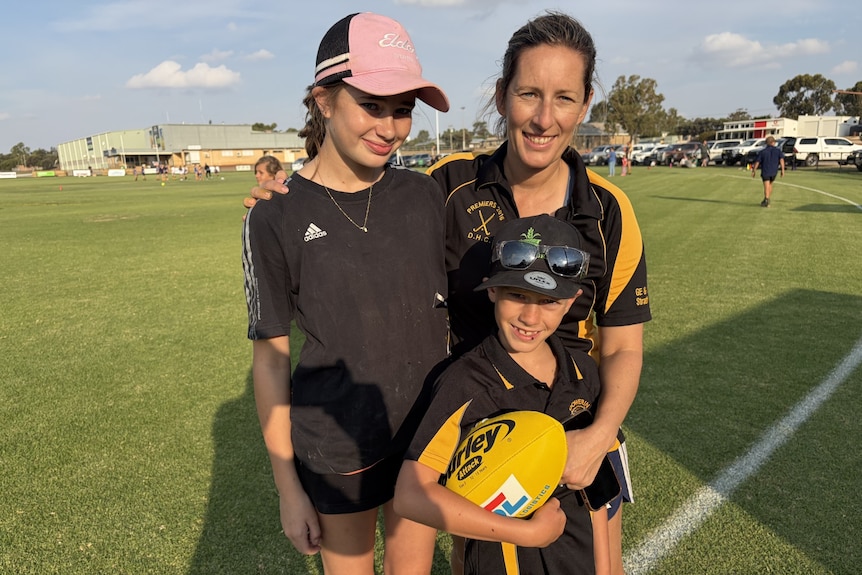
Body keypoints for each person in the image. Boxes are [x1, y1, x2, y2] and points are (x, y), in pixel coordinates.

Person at [246, 12, 650, 575]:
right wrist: (281, 199)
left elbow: (625, 346)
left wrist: (597, 436)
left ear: (584, 107)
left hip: (576, 434)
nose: (543, 117)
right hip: (468, 433)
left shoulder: (609, 210)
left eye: (564, 98)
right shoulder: (444, 187)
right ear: (503, 95)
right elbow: (359, 206)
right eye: (528, 93)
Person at [241, 12, 450, 575]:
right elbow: (270, 359)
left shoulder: (424, 195)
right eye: (372, 105)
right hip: (338, 445)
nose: (390, 126)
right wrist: (288, 488)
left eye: (402, 108)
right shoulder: (274, 213)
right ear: (323, 101)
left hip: (427, 436)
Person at [395, 214, 614, 575]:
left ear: (572, 300)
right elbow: (410, 495)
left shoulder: (582, 373)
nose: (530, 317)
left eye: (548, 302)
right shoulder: (465, 382)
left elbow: (598, 493)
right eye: (517, 295)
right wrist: (525, 533)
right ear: (492, 290)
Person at [752, 135, 785, 207]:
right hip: (774, 171)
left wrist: (754, 170)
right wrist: (782, 170)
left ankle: (767, 200)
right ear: (773, 143)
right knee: (770, 185)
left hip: (766, 171)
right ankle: (767, 199)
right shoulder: (778, 151)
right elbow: (781, 160)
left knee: (766, 186)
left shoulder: (763, 152)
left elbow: (757, 162)